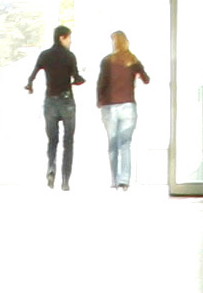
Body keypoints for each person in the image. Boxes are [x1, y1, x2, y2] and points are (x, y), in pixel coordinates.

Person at [24, 26, 83, 190]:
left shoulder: (45, 55)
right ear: (62, 38)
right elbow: (76, 77)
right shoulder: (70, 56)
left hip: (50, 101)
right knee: (68, 141)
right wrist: (78, 80)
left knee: (52, 140)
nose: (70, 41)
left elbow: (32, 76)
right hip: (66, 101)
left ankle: (51, 167)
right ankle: (65, 181)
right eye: (69, 38)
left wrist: (30, 86)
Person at [96, 32, 149, 191]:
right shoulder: (133, 60)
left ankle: (114, 179)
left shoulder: (107, 61)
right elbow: (146, 79)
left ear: (115, 43)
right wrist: (137, 75)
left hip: (110, 106)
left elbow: (102, 83)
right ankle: (124, 180)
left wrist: (99, 100)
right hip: (128, 106)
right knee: (125, 144)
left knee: (112, 144)